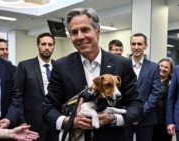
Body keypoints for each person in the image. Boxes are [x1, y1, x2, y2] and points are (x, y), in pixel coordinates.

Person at [43, 7, 143, 141]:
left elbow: (136, 106)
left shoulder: (122, 64)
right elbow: (48, 108)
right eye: (74, 32)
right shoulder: (61, 66)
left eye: (85, 30)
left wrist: (112, 118)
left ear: (98, 31)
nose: (79, 37)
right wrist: (70, 121)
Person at [15, 32, 58, 141]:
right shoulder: (25, 66)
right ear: (37, 46)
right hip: (33, 121)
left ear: (53, 47)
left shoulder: (59, 66)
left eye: (50, 44)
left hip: (55, 120)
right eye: (43, 44)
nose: (47, 47)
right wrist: (21, 121)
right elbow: (17, 95)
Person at [124, 33, 162, 141]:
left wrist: (140, 113)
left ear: (145, 46)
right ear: (130, 46)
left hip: (146, 118)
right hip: (126, 116)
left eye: (139, 44)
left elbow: (156, 93)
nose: (136, 47)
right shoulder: (122, 65)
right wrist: (130, 114)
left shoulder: (154, 67)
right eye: (133, 44)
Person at [152, 57, 174, 141]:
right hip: (151, 119)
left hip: (165, 121)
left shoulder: (173, 82)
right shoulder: (151, 79)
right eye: (161, 66)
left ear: (170, 70)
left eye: (166, 67)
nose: (162, 69)